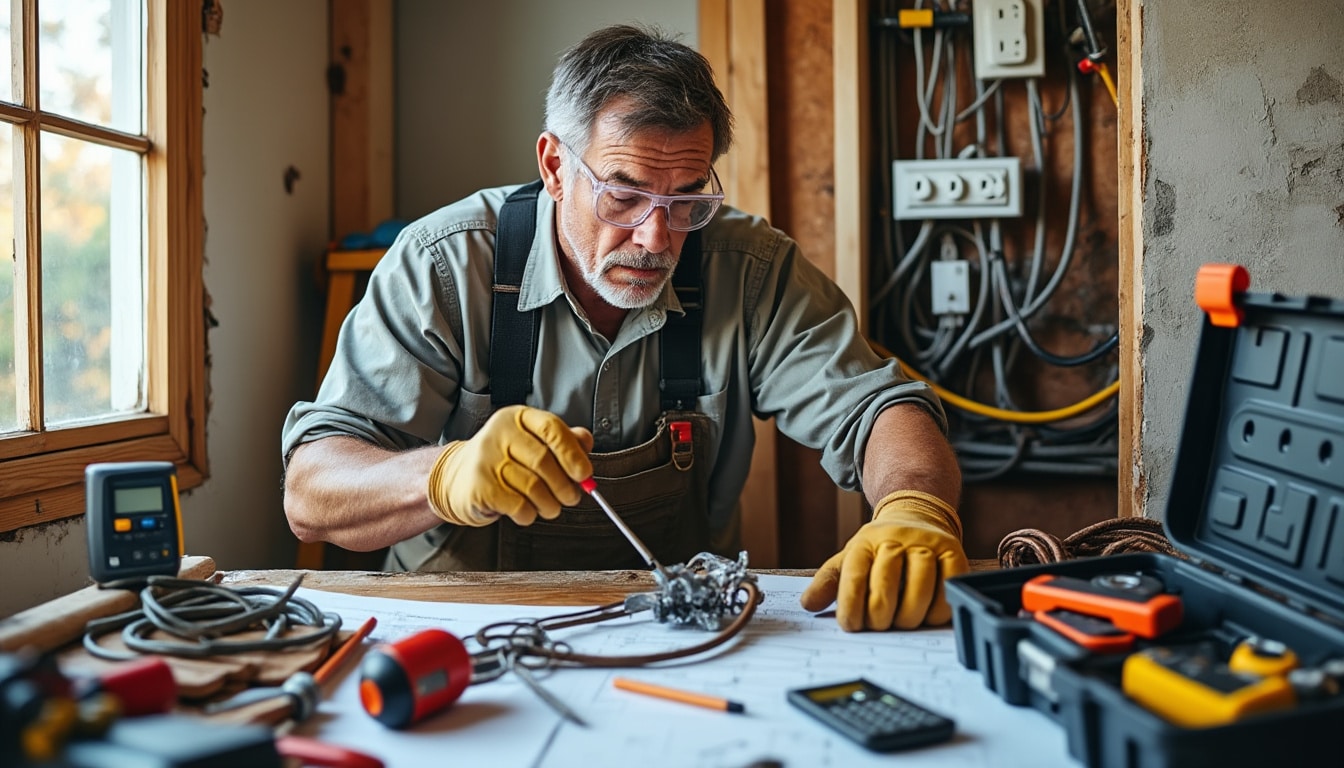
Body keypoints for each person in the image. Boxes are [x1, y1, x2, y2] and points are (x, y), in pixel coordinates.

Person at [281, 23, 966, 631]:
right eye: (625, 193)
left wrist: (915, 507)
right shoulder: (445, 265)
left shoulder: (747, 269)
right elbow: (312, 496)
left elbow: (880, 406)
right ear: (554, 165)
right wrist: (445, 476)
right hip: (460, 629)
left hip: (674, 630)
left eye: (687, 197)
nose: (656, 237)